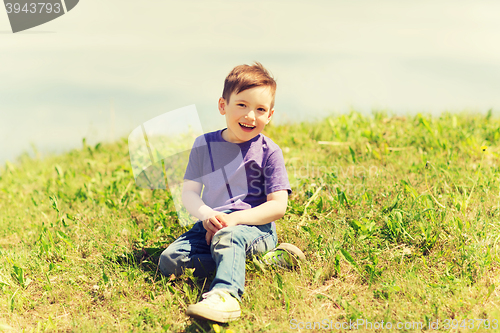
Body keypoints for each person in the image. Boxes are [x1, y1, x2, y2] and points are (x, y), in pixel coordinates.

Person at [158, 62, 304, 323]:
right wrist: (207, 215)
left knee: (227, 238)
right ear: (223, 106)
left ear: (269, 115)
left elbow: (278, 206)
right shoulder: (204, 144)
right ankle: (263, 262)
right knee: (170, 260)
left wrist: (233, 221)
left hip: (253, 228)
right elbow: (189, 193)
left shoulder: (269, 152)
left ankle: (225, 296)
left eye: (260, 109)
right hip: (210, 222)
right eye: (242, 105)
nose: (250, 116)